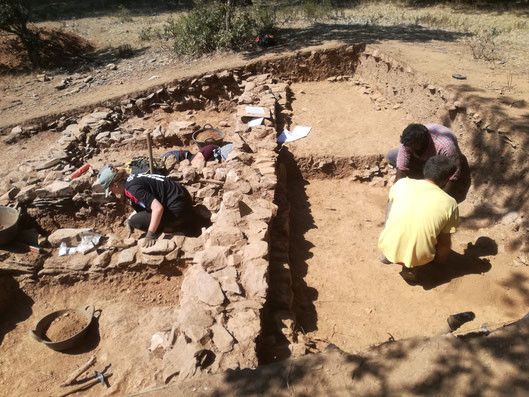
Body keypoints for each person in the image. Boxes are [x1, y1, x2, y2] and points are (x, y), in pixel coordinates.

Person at [378, 155, 460, 281]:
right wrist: (440, 263)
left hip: (386, 245)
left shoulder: (402, 183)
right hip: (421, 258)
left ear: (425, 170)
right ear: (446, 180)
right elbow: (444, 243)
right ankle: (412, 267)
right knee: (441, 229)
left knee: (392, 204)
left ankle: (388, 253)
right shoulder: (450, 203)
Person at [98, 165, 193, 247]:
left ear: (115, 185)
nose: (112, 193)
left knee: (136, 221)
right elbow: (145, 201)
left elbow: (158, 208)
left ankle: (173, 227)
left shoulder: (132, 189)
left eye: (111, 190)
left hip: (180, 210)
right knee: (135, 208)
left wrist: (150, 234)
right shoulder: (132, 178)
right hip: (183, 199)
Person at [386, 123, 471, 203]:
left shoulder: (446, 148)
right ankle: (422, 183)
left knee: (451, 195)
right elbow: (401, 169)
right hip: (425, 158)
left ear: (421, 143)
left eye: (412, 146)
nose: (408, 148)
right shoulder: (408, 141)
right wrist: (393, 197)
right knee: (392, 156)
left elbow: (453, 174)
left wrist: (438, 200)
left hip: (443, 161)